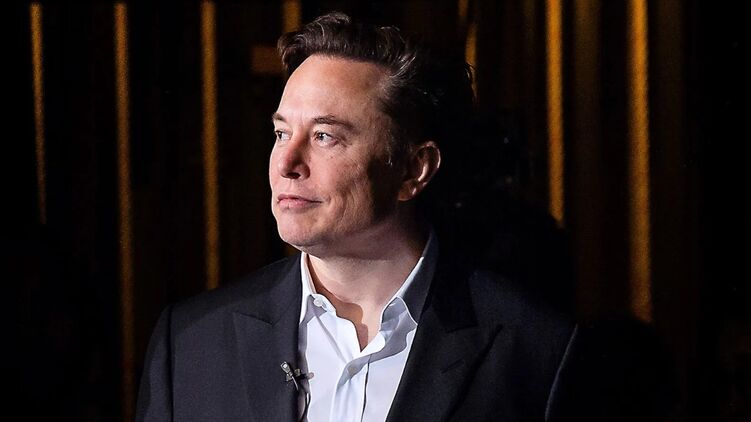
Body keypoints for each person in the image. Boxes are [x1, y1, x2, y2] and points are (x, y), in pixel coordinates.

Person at [136, 12, 674, 422]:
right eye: (281, 132)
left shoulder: (537, 352)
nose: (286, 163)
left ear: (415, 168)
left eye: (324, 136)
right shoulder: (190, 343)